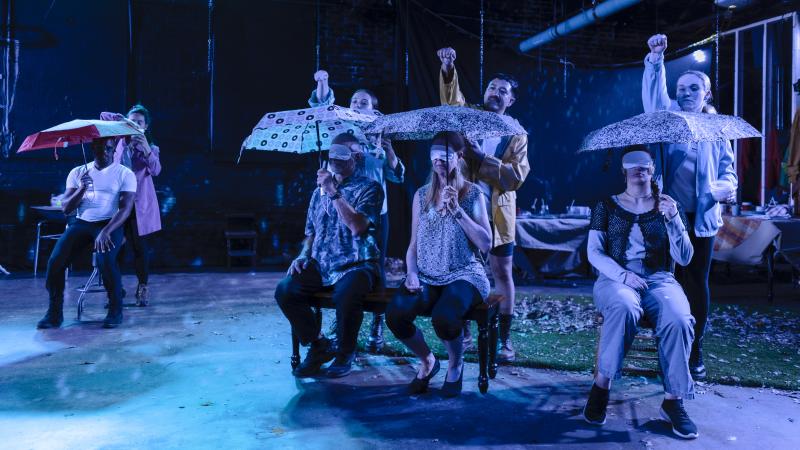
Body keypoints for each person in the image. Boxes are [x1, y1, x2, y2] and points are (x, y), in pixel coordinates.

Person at [583, 148, 698, 439]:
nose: (639, 171)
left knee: (679, 319)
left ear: (652, 170)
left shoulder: (668, 206)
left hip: (659, 279)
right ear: (624, 172)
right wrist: (622, 275)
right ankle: (601, 387)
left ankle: (673, 401)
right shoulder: (606, 206)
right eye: (632, 166)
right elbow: (594, 253)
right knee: (624, 306)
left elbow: (684, 258)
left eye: (644, 166)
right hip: (615, 278)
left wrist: (673, 219)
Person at [642, 34, 737, 380]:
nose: (685, 93)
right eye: (680, 88)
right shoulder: (667, 119)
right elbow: (653, 99)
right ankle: (668, 343)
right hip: (668, 215)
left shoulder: (716, 130)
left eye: (693, 88)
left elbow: (729, 171)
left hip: (701, 217)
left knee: (696, 280)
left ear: (707, 94)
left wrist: (721, 189)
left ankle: (694, 349)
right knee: (666, 280)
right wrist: (656, 60)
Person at [437, 47, 530, 363]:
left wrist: (479, 156)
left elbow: (515, 177)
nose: (495, 93)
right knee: (459, 270)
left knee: (502, 273)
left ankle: (504, 340)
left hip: (498, 215)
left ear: (511, 100)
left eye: (503, 91)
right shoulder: (470, 117)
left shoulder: (517, 134)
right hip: (464, 211)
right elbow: (452, 102)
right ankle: (463, 332)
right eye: (492, 87)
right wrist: (449, 68)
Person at [387, 131, 491, 398]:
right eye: (434, 153)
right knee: (396, 314)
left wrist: (457, 210)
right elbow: (413, 245)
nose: (438, 159)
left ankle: (456, 361)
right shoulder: (421, 196)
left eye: (445, 154)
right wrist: (411, 273)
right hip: (428, 274)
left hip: (465, 273)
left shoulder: (473, 193)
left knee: (444, 317)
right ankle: (428, 361)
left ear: (458, 157)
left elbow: (486, 243)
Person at [309, 69, 405, 353]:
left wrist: (388, 151)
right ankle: (340, 321)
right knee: (340, 264)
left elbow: (397, 176)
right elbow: (322, 109)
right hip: (339, 208)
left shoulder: (379, 138)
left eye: (364, 102)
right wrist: (323, 83)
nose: (357, 104)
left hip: (372, 213)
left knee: (375, 267)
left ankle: (376, 328)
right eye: (354, 101)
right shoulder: (338, 131)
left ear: (375, 109)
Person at [275, 132, 384, 378]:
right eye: (332, 152)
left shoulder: (370, 188)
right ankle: (319, 344)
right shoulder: (317, 193)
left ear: (356, 157)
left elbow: (358, 226)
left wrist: (334, 192)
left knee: (346, 294)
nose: (334, 158)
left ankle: (346, 351)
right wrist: (303, 255)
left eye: (342, 153)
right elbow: (310, 232)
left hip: (358, 263)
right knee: (286, 290)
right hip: (322, 264)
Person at [37, 137, 137, 329]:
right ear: (93, 148)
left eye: (109, 149)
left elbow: (125, 208)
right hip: (82, 222)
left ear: (114, 149)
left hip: (110, 223)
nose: (105, 153)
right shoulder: (78, 172)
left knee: (105, 260)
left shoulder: (125, 173)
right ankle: (54, 314)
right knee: (55, 262)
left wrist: (106, 231)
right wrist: (82, 188)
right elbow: (66, 209)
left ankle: (115, 310)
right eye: (101, 149)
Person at [100, 105, 162, 306]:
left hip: (139, 206)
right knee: (115, 248)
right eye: (132, 121)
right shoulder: (117, 141)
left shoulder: (151, 148)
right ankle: (116, 289)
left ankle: (143, 288)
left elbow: (156, 170)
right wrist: (124, 121)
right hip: (118, 204)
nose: (135, 124)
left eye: (140, 122)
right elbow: (103, 115)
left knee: (139, 249)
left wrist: (145, 147)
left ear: (146, 125)